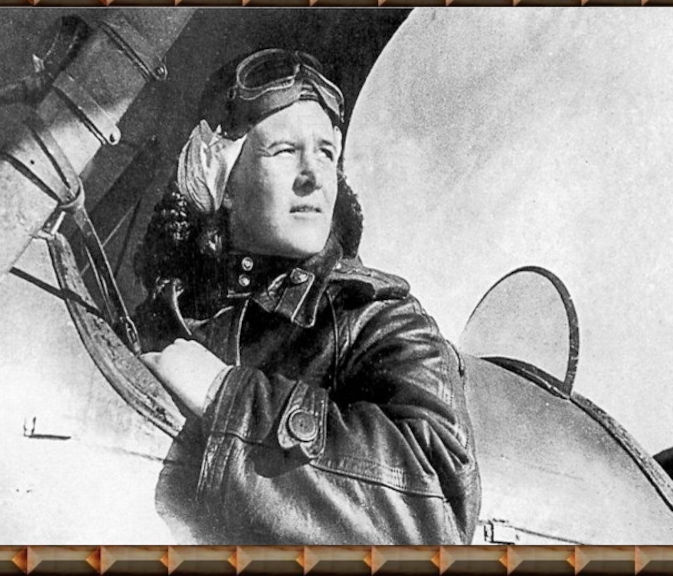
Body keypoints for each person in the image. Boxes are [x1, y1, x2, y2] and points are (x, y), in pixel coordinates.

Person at [136, 49, 480, 544]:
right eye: (284, 151)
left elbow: (435, 521)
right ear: (223, 183)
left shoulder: (382, 323)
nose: (314, 175)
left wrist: (225, 395)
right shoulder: (166, 316)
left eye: (325, 153)